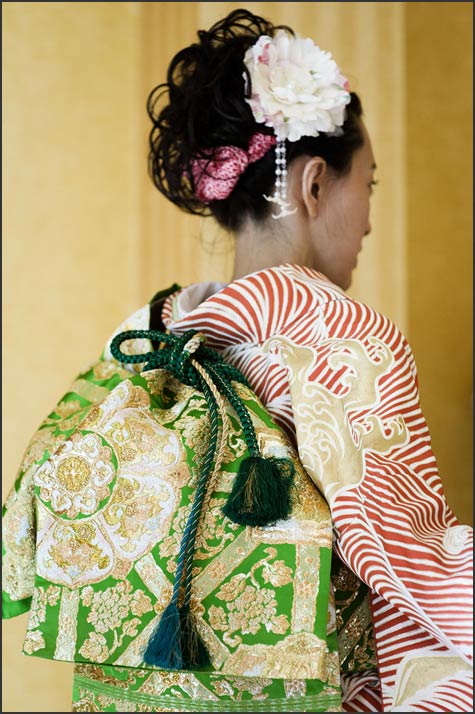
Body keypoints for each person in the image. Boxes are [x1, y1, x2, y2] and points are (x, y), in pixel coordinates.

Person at [2, 8, 472, 713]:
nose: (369, 218)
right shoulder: (337, 333)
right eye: (365, 186)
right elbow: (411, 561)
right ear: (314, 185)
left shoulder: (152, 338)